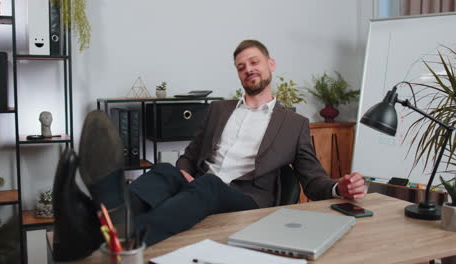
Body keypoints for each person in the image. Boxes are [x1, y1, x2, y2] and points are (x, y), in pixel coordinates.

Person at [58, 40, 366, 259]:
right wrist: (182, 171)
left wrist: (341, 187)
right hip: (200, 187)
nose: (248, 70)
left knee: (208, 184)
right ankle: (104, 223)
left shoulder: (294, 123)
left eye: (254, 62)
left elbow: (312, 179)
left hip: (246, 202)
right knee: (165, 169)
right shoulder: (219, 109)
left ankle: (122, 232)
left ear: (270, 65)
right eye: (241, 67)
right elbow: (190, 155)